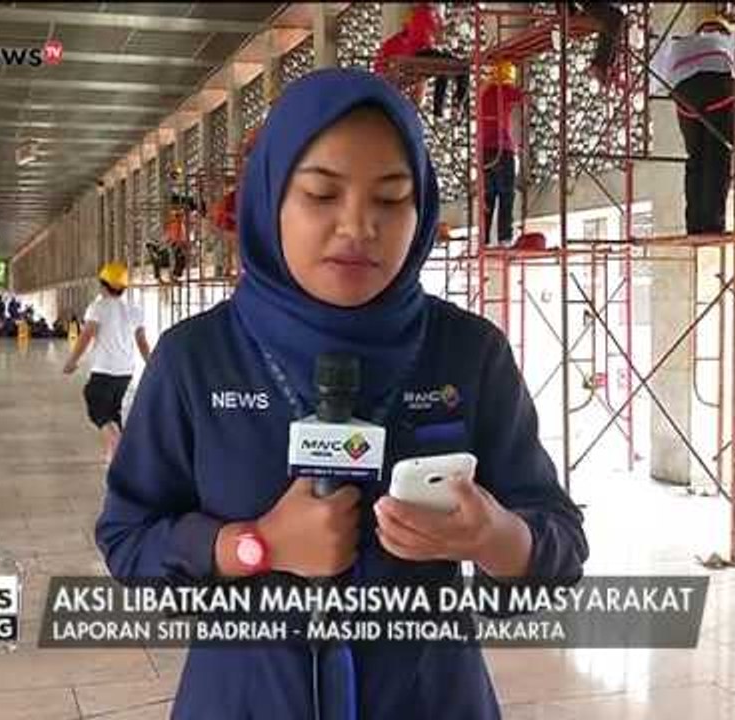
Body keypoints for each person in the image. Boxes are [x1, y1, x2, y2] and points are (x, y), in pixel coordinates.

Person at [95, 69, 587, 719]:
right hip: (245, 700)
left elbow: (560, 542)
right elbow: (129, 537)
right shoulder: (197, 360)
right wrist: (256, 544)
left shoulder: (468, 353)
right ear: (272, 200)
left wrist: (495, 537)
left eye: (390, 200)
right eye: (322, 194)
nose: (358, 226)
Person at [652, 13, 735, 235]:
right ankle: (711, 225)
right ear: (723, 30)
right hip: (716, 83)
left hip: (683, 91)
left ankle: (695, 225)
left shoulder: (681, 42)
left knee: (696, 158)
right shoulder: (731, 41)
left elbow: (654, 80)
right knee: (718, 154)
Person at [63, 262, 151, 462]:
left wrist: (72, 361)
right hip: (126, 371)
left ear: (103, 285)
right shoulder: (134, 310)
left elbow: (85, 336)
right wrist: (152, 366)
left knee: (95, 404)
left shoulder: (98, 307)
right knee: (113, 411)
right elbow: (142, 343)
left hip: (104, 369)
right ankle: (114, 454)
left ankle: (119, 444)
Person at [374, 3, 469, 119]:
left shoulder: (429, 14)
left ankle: (455, 106)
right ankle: (448, 107)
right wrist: (450, 24)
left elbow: (440, 39)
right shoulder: (422, 12)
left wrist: (450, 25)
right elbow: (439, 38)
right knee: (449, 65)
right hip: (420, 54)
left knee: (456, 67)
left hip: (425, 54)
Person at [479, 60, 524, 245]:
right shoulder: (507, 91)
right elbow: (524, 99)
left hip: (484, 152)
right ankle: (505, 238)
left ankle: (484, 239)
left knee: (488, 197)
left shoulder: (484, 93)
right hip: (502, 149)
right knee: (507, 195)